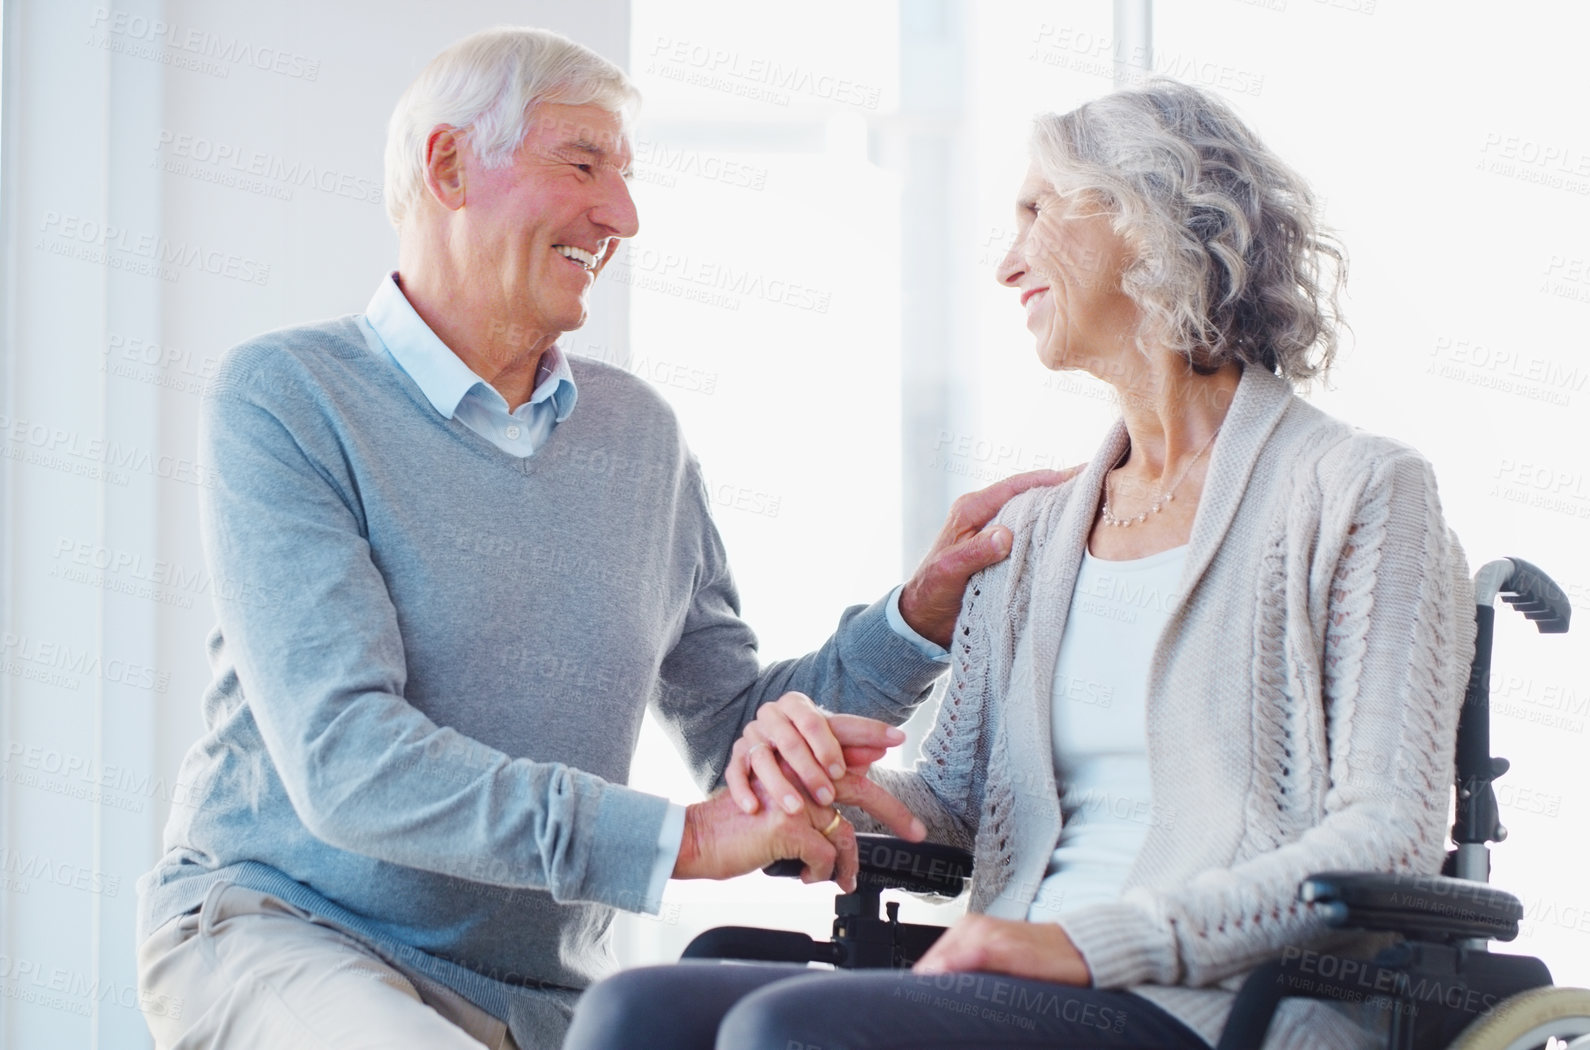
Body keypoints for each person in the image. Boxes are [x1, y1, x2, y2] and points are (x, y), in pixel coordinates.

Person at [132, 26, 1064, 1050]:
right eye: (583, 165)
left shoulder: (640, 437)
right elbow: (349, 761)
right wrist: (684, 842)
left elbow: (734, 727)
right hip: (290, 937)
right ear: (448, 166)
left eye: (625, 176)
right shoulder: (290, 399)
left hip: (541, 998)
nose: (621, 214)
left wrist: (915, 617)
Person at [565, 79, 1475, 1050]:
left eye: (1037, 211)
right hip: (1013, 985)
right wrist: (826, 789)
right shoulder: (1035, 535)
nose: (1007, 264)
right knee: (640, 1011)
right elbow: (957, 807)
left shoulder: (1359, 492)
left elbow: (1390, 837)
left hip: (1216, 1005)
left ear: (1147, 214)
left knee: (792, 1033)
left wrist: (1092, 944)